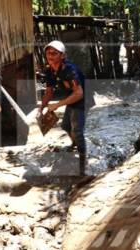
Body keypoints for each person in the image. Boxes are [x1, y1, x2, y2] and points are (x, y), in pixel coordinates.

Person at [38, 40, 88, 176]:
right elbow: (49, 91)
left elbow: (79, 93)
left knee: (77, 130)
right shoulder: (50, 70)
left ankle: (83, 162)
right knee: (66, 126)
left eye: (54, 53)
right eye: (48, 53)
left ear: (63, 56)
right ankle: (74, 144)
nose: (50, 56)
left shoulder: (68, 69)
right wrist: (41, 107)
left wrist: (57, 105)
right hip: (71, 98)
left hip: (83, 99)